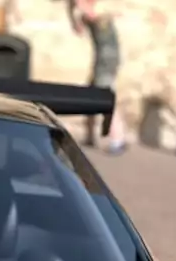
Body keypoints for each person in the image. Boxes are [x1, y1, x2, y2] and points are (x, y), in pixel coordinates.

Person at [71, 0, 129, 154]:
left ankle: (118, 139)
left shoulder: (99, 11)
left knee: (105, 97)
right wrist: (72, 12)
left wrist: (77, 5)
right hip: (102, 59)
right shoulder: (86, 13)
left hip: (107, 60)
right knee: (91, 95)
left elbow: (92, 14)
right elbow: (78, 29)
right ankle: (90, 136)